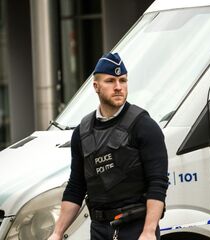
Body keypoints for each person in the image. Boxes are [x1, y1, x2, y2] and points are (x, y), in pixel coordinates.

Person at [48, 53, 168, 240]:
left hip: (137, 230)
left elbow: (158, 183)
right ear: (96, 86)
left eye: (123, 80)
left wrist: (149, 231)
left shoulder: (144, 126)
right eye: (111, 81)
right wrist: (57, 233)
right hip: (100, 230)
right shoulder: (82, 132)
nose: (119, 87)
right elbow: (76, 187)